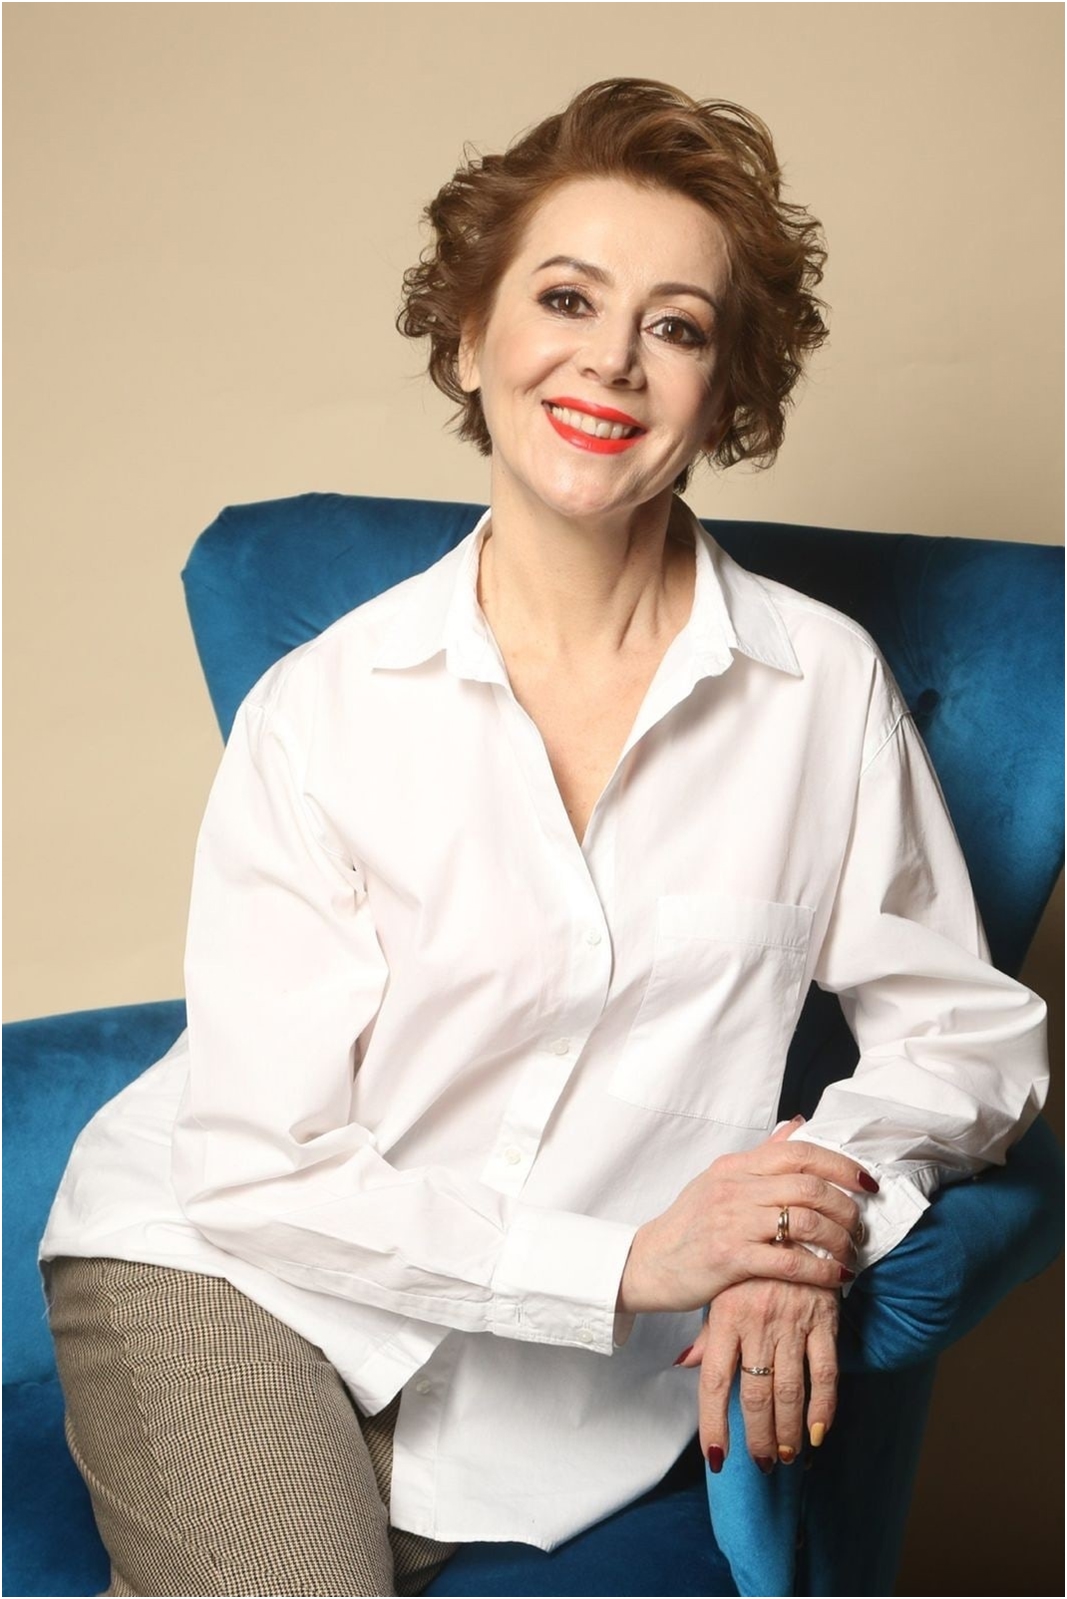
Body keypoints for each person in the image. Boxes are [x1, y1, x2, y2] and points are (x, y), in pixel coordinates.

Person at [40, 77, 1048, 1598]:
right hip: (229, 1275)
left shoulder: (820, 689)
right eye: (567, 298)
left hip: (551, 1413)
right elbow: (250, 1169)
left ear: (724, 392)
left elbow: (968, 1040)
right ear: (470, 336)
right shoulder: (325, 708)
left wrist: (806, 1216)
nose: (612, 361)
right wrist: (637, 1262)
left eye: (676, 326)